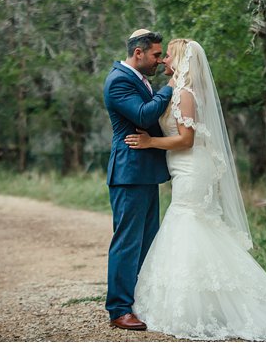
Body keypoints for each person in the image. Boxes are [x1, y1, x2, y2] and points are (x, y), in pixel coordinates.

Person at [123, 39, 266, 341]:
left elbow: (186, 140)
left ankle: (201, 302)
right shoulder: (179, 91)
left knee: (187, 222)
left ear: (180, 61)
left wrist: (151, 143)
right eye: (161, 55)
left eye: (168, 56)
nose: (164, 59)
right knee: (192, 224)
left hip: (191, 166)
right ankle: (201, 299)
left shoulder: (186, 94)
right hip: (183, 167)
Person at [102, 29, 175, 330]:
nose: (159, 60)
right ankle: (119, 309)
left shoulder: (139, 79)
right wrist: (172, 85)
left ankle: (140, 301)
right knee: (127, 242)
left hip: (144, 171)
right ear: (138, 53)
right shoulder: (119, 80)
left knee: (148, 241)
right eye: (156, 55)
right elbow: (144, 116)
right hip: (129, 172)